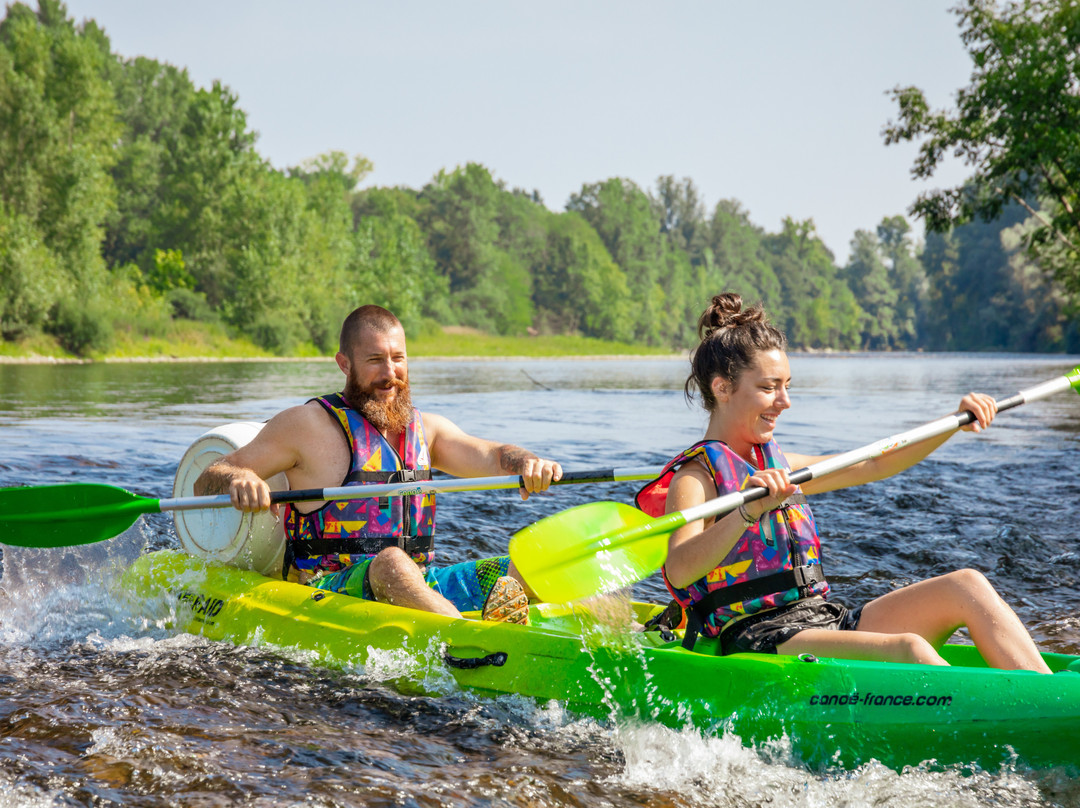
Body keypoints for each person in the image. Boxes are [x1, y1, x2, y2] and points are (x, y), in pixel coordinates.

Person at [635, 292, 1050, 671]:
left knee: (966, 585)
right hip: (756, 639)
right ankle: (999, 723)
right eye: (768, 387)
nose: (785, 401)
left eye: (787, 386)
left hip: (822, 617)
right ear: (722, 388)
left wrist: (952, 424)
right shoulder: (696, 479)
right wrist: (747, 510)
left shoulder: (780, 465)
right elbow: (681, 568)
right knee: (909, 649)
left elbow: (872, 466)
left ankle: (1048, 699)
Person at [194, 304, 562, 624]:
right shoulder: (306, 425)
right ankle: (470, 638)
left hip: (418, 583)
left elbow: (494, 456)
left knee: (530, 567)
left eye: (398, 359)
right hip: (329, 589)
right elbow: (209, 477)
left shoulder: (426, 429)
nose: (390, 373)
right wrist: (239, 479)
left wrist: (527, 463)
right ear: (344, 364)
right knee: (392, 563)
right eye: (375, 360)